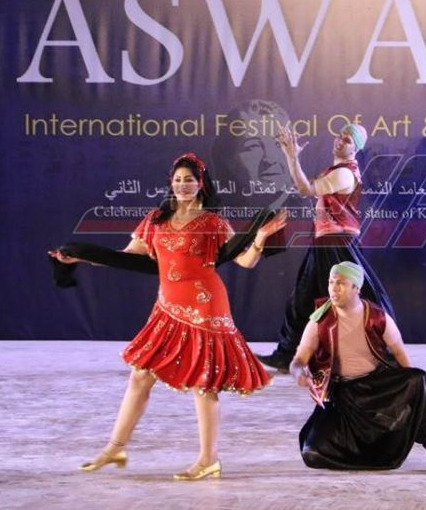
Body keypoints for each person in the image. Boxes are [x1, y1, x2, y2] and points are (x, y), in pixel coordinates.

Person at [50, 152, 287, 480]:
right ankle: (115, 447)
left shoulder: (213, 223)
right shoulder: (155, 220)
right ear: (170, 183)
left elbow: (244, 261)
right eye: (177, 180)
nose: (182, 185)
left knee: (203, 383)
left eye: (189, 180)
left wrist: (259, 238)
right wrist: (80, 258)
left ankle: (208, 460)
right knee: (140, 376)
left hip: (205, 306)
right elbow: (127, 257)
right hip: (168, 307)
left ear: (201, 184)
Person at [289, 261, 426, 473]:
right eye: (331, 282)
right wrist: (299, 373)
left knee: (420, 380)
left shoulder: (377, 317)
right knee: (313, 452)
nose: (333, 289)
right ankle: (370, 456)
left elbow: (399, 354)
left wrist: (409, 391)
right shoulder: (320, 320)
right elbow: (299, 360)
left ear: (356, 288)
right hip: (342, 395)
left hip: (375, 387)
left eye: (341, 283)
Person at [255, 121, 393, 372]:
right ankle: (288, 355)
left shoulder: (344, 174)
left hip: (336, 244)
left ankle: (382, 354)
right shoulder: (336, 170)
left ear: (355, 149)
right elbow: (307, 188)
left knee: (356, 300)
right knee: (302, 301)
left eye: (347, 140)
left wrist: (291, 156)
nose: (340, 141)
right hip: (325, 242)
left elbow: (306, 189)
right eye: (340, 135)